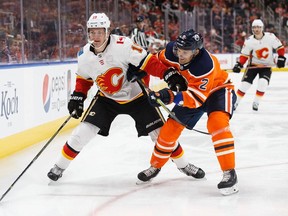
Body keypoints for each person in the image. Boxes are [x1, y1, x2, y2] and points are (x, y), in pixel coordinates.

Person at [47, 13, 205, 182]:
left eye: (100, 32)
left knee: (161, 135)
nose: (96, 36)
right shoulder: (84, 55)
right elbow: (84, 79)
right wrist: (78, 97)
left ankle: (183, 165)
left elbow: (148, 62)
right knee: (82, 133)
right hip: (107, 99)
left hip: (137, 96)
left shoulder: (123, 45)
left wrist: (168, 74)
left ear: (108, 31)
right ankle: (59, 166)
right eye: (92, 32)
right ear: (88, 33)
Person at [135, 29, 238, 195]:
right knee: (169, 130)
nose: (180, 55)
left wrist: (166, 95)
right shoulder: (171, 51)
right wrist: (142, 71)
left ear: (196, 52)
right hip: (190, 91)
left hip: (218, 91)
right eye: (178, 50)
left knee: (217, 124)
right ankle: (155, 166)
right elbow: (155, 61)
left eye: (185, 52)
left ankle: (229, 173)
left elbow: (196, 99)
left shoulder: (205, 64)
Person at [232, 19, 286, 111]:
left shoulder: (270, 37)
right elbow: (244, 55)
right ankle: (235, 102)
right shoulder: (249, 41)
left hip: (266, 66)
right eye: (254, 27)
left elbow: (279, 47)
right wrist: (239, 64)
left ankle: (256, 102)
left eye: (258, 27)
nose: (256, 29)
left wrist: (281, 57)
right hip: (253, 65)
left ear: (262, 28)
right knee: (245, 85)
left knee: (263, 83)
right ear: (252, 29)